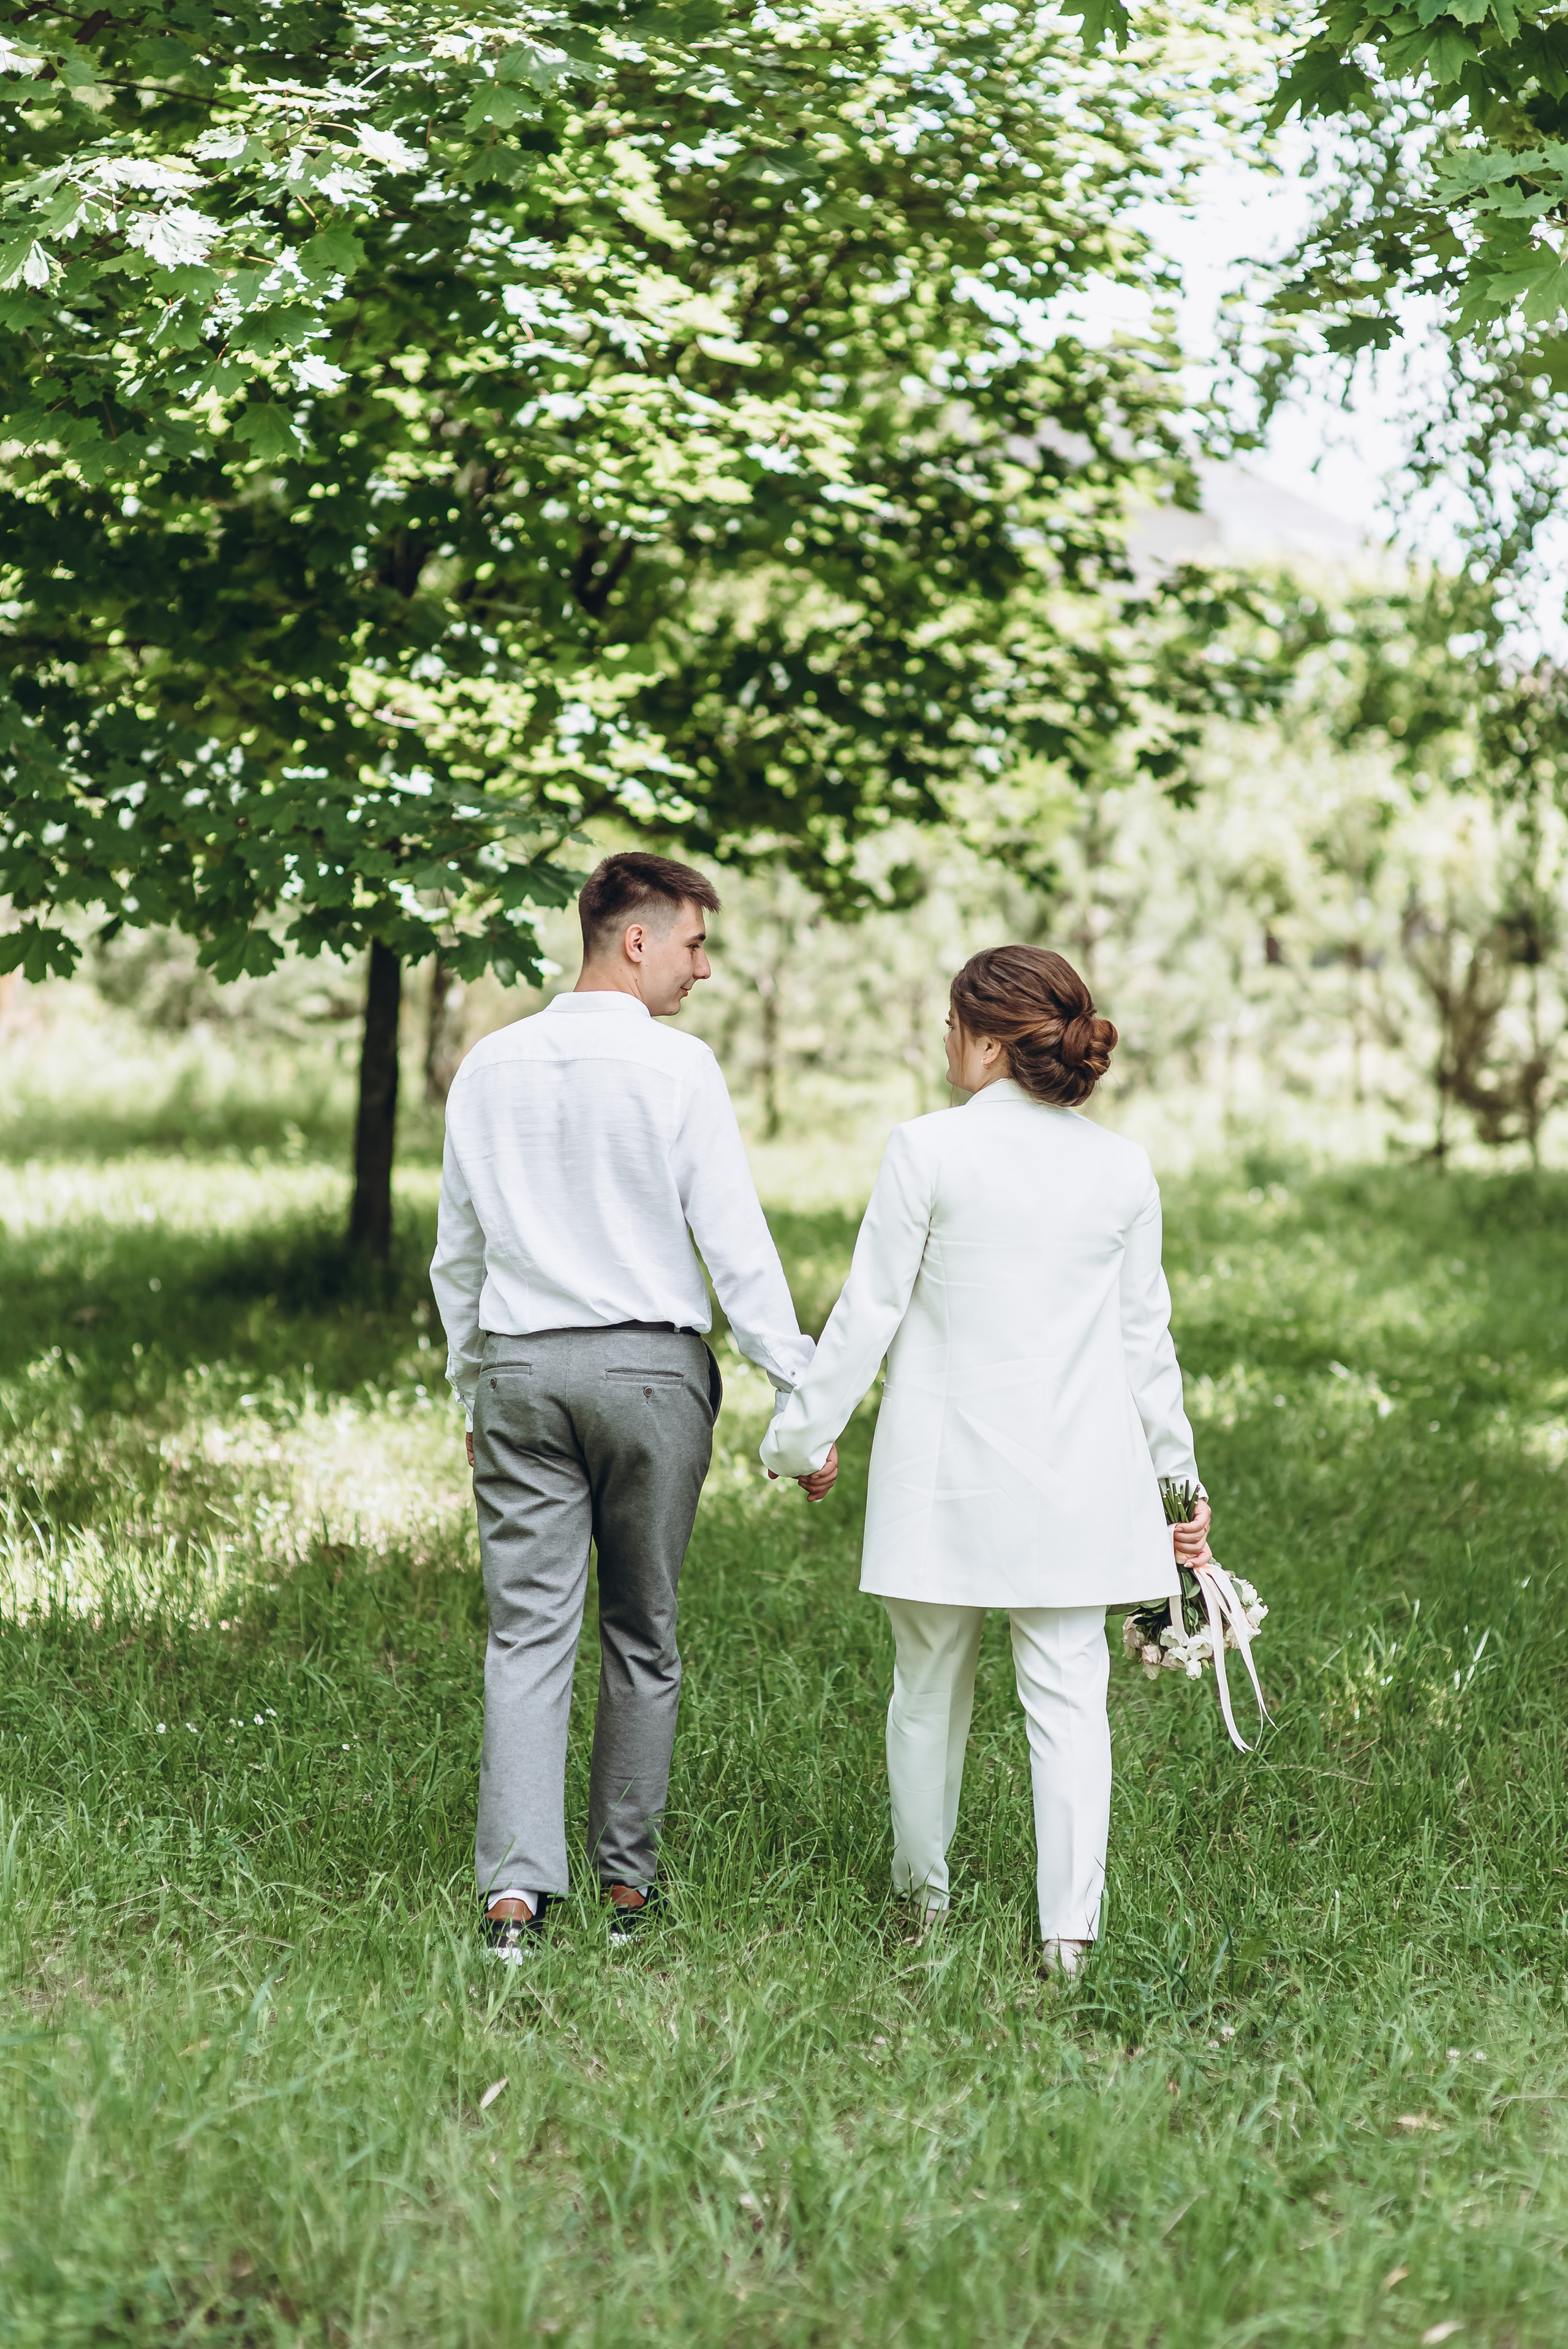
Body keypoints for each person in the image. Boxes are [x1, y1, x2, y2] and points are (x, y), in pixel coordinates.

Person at [760, 945, 1210, 1975]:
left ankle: (922, 1908)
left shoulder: (925, 1150)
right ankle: (1069, 1938)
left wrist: (796, 1438)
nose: (944, 1038)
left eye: (954, 1022)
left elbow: (866, 1316)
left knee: (924, 1692)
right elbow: (1149, 1347)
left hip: (942, 1484)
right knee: (1069, 1699)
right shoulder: (1120, 1166)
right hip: (1075, 1486)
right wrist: (1179, 1488)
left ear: (994, 1040)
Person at [432, 850, 837, 1959]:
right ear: (637, 938)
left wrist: (470, 1385)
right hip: (652, 1378)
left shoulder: (489, 1065)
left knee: (526, 1633)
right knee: (642, 1632)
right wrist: (806, 1401)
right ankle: (624, 1891)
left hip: (520, 1370)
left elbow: (456, 1257)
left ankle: (513, 1899)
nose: (704, 970)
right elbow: (738, 1252)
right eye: (697, 944)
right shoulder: (680, 1071)